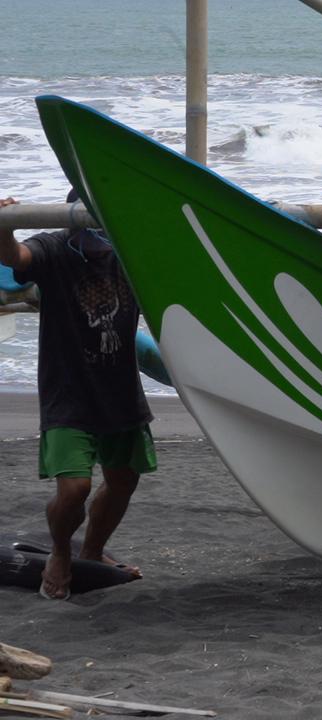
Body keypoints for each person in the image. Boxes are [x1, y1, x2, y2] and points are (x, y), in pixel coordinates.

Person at [0, 193, 154, 600]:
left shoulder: (131, 251)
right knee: (74, 489)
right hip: (67, 392)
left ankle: (92, 551)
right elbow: (15, 257)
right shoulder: (55, 248)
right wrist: (4, 223)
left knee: (123, 481)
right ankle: (62, 552)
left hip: (119, 392)